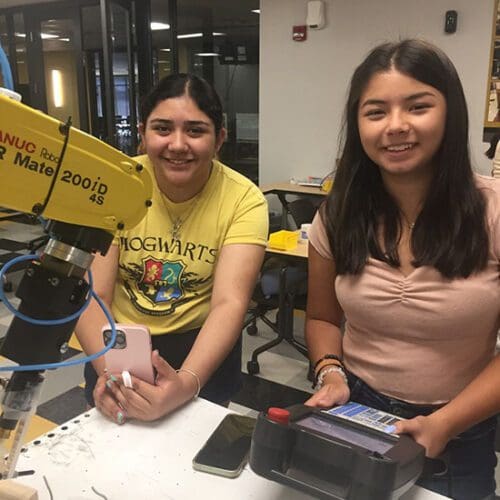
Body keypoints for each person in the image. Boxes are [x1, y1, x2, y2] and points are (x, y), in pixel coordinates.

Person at [305, 39, 500, 500]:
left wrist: (445, 423)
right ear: (357, 124)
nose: (395, 126)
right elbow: (321, 318)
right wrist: (330, 372)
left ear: (450, 112)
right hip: (356, 410)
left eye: (418, 106)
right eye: (375, 112)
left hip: (461, 426)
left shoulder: (491, 211)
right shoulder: (338, 214)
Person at [76, 73, 268, 423]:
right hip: (118, 345)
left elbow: (230, 302)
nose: (177, 145)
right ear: (142, 132)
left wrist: (185, 383)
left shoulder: (243, 200)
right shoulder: (116, 186)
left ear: (219, 138)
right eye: (162, 128)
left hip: (200, 348)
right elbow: (94, 296)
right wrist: (112, 374)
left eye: (195, 130)